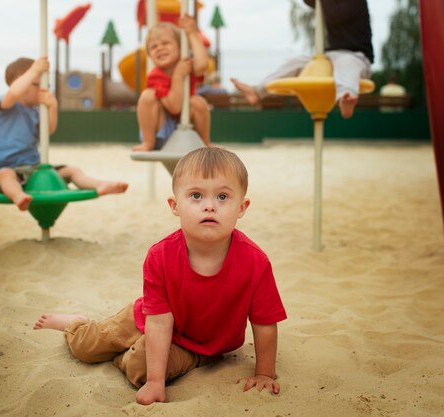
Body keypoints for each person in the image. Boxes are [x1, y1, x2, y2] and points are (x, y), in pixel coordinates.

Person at [34, 147, 287, 405]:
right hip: (146, 318)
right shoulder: (160, 256)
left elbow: (265, 322)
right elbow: (158, 321)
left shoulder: (256, 262)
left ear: (241, 207)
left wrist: (264, 373)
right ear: (175, 206)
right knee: (87, 348)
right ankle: (76, 324)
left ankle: (126, 355)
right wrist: (158, 383)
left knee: (139, 369)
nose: (209, 206)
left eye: (222, 196)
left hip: (201, 348)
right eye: (196, 196)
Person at [0, 57, 128, 211]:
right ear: (25, 84)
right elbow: (15, 91)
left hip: (34, 167)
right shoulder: (7, 103)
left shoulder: (36, 111)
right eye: (40, 85)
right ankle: (18, 197)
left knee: (72, 170)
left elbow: (48, 131)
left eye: (47, 86)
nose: (45, 90)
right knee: (5, 175)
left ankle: (100, 185)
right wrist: (35, 70)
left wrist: (53, 107)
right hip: (10, 168)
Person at [230, 0, 373, 119]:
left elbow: (337, 16)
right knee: (296, 62)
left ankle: (346, 97)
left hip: (356, 55)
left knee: (347, 64)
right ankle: (257, 91)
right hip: (330, 55)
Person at [132, 15, 211, 151]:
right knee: (147, 96)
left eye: (165, 43)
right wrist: (178, 76)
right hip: (162, 130)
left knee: (198, 102)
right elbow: (174, 107)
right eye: (154, 47)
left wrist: (192, 33)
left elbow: (203, 64)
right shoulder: (156, 75)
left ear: (180, 48)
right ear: (150, 56)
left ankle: (204, 143)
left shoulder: (185, 65)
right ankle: (148, 142)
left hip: (187, 127)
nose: (160, 48)